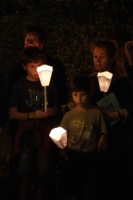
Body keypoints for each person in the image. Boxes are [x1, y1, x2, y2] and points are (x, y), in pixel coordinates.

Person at [8, 46, 59, 200]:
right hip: (27, 138)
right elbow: (12, 113)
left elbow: (56, 106)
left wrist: (51, 111)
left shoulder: (49, 84)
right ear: (25, 66)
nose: (37, 70)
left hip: (44, 136)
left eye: (39, 66)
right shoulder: (19, 86)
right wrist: (31, 115)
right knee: (26, 176)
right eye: (32, 66)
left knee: (42, 177)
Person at [90, 40, 133, 200]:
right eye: (95, 56)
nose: (98, 60)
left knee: (118, 176)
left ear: (112, 58)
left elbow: (130, 105)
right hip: (96, 134)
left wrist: (119, 114)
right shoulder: (90, 81)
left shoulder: (121, 82)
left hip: (117, 135)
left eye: (102, 57)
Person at [58, 75, 108, 200]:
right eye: (75, 95)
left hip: (91, 154)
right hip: (74, 154)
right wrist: (62, 148)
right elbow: (61, 134)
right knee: (76, 186)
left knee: (92, 185)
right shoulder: (68, 116)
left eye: (82, 95)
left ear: (89, 94)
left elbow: (103, 131)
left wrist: (103, 138)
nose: (79, 99)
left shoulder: (96, 114)